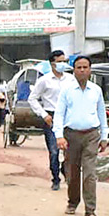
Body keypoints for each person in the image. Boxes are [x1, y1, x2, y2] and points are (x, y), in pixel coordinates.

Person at [53, 55, 109, 216]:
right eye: (79, 67)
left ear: (90, 70)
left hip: (92, 135)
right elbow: (59, 114)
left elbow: (102, 113)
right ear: (74, 70)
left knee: (90, 173)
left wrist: (105, 135)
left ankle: (90, 210)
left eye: (85, 67)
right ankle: (73, 201)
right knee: (72, 172)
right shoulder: (67, 90)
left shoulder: (96, 90)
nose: (82, 70)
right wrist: (59, 136)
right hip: (71, 136)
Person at [29, 50, 70, 191]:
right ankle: (56, 178)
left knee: (70, 150)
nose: (63, 64)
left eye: (65, 61)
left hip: (68, 117)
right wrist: (43, 114)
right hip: (51, 117)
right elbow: (32, 98)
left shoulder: (70, 79)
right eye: (60, 62)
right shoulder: (44, 81)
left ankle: (66, 169)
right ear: (52, 64)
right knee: (54, 150)